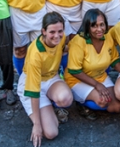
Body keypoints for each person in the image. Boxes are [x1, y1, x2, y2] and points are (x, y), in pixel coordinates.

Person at [17, 12, 73, 147]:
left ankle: (50, 107)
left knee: (66, 98)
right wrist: (36, 125)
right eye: (52, 32)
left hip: (51, 78)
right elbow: (34, 91)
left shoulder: (61, 38)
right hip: (31, 85)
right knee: (51, 133)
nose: (57, 35)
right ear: (43, 31)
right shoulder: (35, 53)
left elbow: (65, 47)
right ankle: (43, 113)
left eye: (60, 31)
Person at [65, 9, 120, 120]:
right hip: (77, 80)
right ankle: (81, 104)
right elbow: (75, 71)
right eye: (94, 26)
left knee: (118, 106)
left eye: (102, 25)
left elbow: (114, 60)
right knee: (103, 101)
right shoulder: (78, 42)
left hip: (100, 77)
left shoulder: (107, 37)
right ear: (87, 27)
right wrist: (97, 85)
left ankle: (90, 98)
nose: (99, 29)